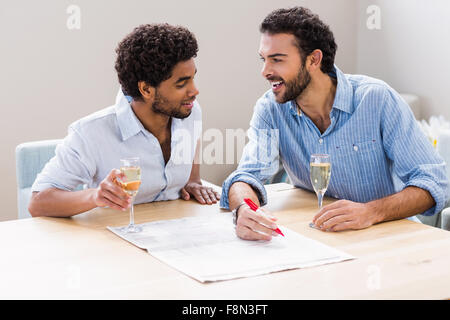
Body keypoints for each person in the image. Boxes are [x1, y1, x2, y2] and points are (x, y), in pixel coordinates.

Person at [220, 7, 449, 240]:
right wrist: (244, 209)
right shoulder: (270, 109)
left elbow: (434, 183)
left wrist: (370, 211)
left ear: (314, 59)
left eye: (277, 60)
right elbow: (245, 177)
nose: (265, 71)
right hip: (325, 238)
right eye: (264, 59)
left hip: (389, 236)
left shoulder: (376, 99)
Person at [29, 23, 220, 217]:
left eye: (192, 78)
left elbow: (192, 141)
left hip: (174, 233)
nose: (195, 91)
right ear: (146, 90)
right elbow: (37, 203)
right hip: (114, 239)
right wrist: (94, 196)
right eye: (182, 84)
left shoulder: (189, 111)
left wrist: (192, 180)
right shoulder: (91, 133)